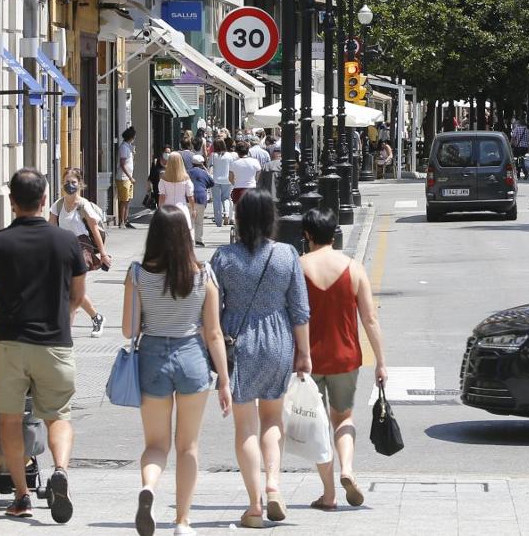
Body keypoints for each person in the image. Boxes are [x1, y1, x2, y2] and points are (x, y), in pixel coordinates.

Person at [0, 168, 85, 521]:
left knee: (9, 420)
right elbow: (78, 296)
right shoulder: (66, 242)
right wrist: (61, 317)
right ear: (44, 200)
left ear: (11, 202)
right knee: (58, 416)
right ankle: (61, 470)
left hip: (10, 343)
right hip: (55, 343)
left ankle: (21, 496)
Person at [126, 206, 231, 536]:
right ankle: (182, 521)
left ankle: (149, 487)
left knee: (156, 445)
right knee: (188, 446)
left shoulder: (137, 274)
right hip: (192, 358)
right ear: (186, 235)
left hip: (152, 358)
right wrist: (224, 381)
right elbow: (214, 333)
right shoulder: (203, 274)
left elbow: (129, 330)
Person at [212, 190, 310, 526]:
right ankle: (273, 485)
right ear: (271, 219)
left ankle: (254, 505)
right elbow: (300, 310)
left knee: (245, 426)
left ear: (239, 220)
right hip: (278, 340)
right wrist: (304, 353)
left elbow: (212, 310)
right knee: (272, 418)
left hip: (237, 342)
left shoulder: (224, 258)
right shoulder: (286, 254)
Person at [299, 209, 387, 512]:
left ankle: (328, 494)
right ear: (334, 234)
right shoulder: (354, 268)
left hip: (309, 359)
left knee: (317, 426)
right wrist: (381, 361)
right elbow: (370, 319)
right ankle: (347, 468)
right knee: (344, 418)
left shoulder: (299, 267)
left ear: (308, 235)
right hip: (346, 358)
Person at [50, 168, 109, 337]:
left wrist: (103, 254)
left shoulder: (84, 205)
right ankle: (96, 317)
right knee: (72, 290)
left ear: (80, 184)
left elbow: (95, 230)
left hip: (81, 249)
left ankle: (65, 332)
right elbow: (50, 229)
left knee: (71, 289)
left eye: (73, 182)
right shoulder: (58, 205)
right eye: (67, 182)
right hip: (64, 249)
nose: (70, 185)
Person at [159, 153, 196, 237]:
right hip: (182, 208)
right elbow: (190, 196)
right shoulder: (186, 178)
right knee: (184, 233)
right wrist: (193, 209)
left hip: (167, 209)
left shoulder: (163, 178)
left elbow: (162, 196)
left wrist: (160, 209)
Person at [188, 155, 214, 248]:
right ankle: (198, 240)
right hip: (201, 198)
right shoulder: (204, 173)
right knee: (199, 221)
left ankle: (190, 239)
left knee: (190, 220)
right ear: (202, 164)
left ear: (192, 163)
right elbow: (212, 183)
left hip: (189, 197)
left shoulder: (188, 172)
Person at [210, 139, 236, 228]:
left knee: (216, 200)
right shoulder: (229, 155)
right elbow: (232, 167)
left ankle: (218, 220)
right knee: (226, 198)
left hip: (215, 180)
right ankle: (226, 214)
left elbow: (210, 166)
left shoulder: (213, 155)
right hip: (227, 179)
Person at [229, 142, 264, 207]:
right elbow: (259, 173)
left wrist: (235, 183)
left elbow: (230, 178)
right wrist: (255, 181)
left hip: (238, 190)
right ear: (248, 150)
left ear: (237, 151)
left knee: (238, 211)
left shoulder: (234, 163)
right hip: (251, 189)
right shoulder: (255, 161)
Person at [118, 126, 138, 229]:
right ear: (131, 137)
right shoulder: (124, 147)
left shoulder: (128, 147)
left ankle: (126, 220)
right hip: (124, 177)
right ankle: (121, 221)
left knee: (128, 199)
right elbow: (122, 164)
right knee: (123, 200)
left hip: (128, 177)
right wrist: (130, 177)